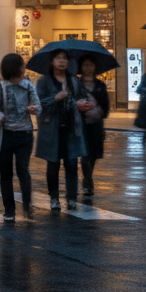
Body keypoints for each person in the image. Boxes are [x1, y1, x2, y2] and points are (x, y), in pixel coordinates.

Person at [0, 54, 39, 221]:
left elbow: (38, 107)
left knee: (23, 170)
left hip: (25, 134)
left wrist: (34, 108)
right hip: (5, 135)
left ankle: (27, 205)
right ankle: (9, 210)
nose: (22, 73)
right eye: (19, 70)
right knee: (6, 173)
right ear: (11, 71)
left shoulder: (28, 86)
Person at [35, 49, 88, 211]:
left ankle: (72, 197)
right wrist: (55, 98)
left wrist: (82, 103)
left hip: (71, 128)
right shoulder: (44, 81)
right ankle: (54, 198)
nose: (62, 61)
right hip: (52, 128)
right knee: (53, 164)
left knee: (72, 163)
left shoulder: (74, 80)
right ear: (52, 61)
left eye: (65, 58)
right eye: (58, 58)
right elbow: (37, 103)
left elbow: (81, 96)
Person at [76, 56, 111, 197]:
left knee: (94, 155)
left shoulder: (100, 85)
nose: (88, 68)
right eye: (85, 65)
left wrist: (97, 108)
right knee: (84, 154)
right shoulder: (76, 84)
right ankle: (88, 181)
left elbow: (106, 106)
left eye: (91, 65)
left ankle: (87, 177)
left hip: (96, 124)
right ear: (81, 67)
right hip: (82, 124)